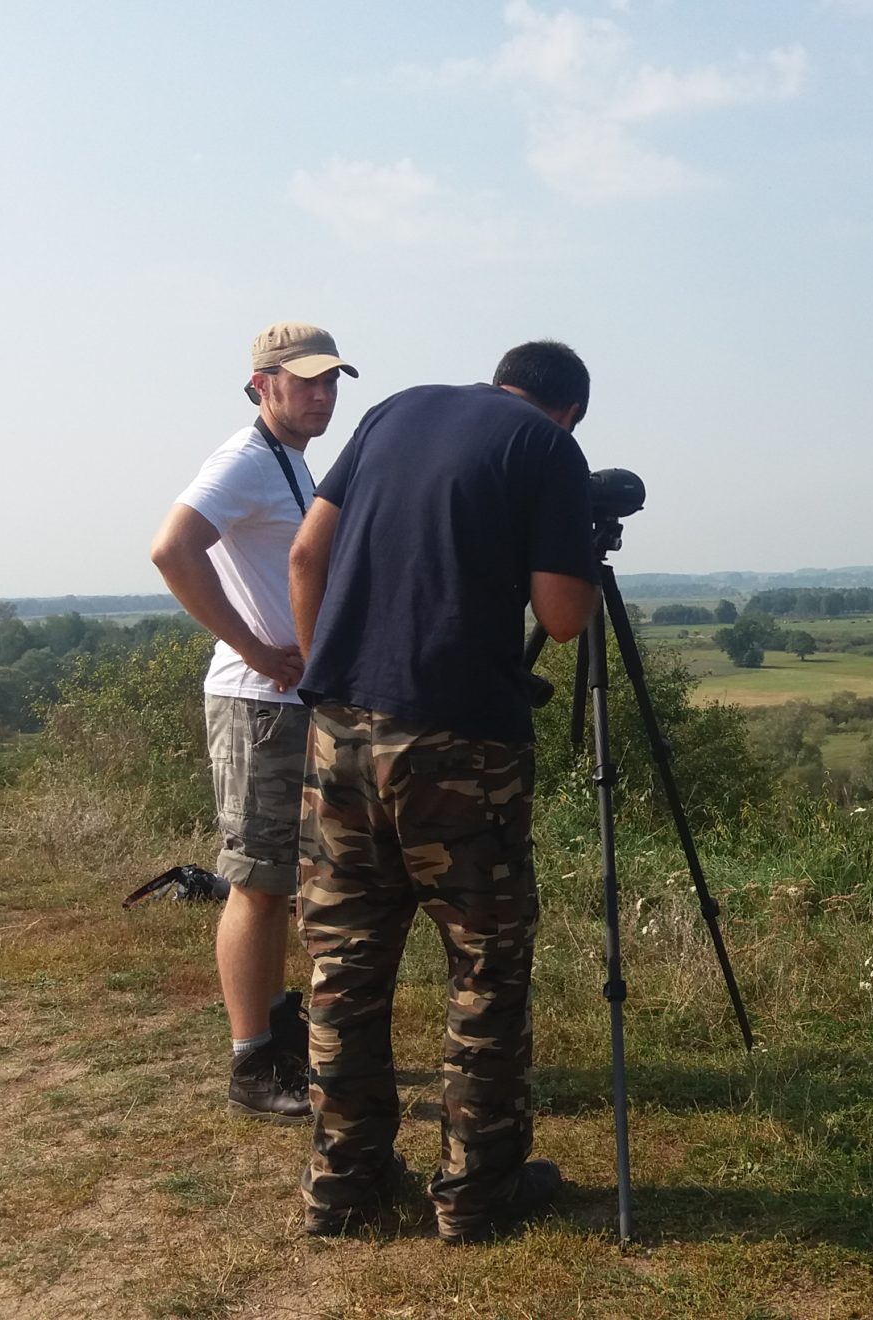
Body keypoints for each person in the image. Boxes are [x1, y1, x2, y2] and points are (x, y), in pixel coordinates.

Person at [286, 341, 599, 1244]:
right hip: (460, 741)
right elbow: (564, 619)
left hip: (339, 729)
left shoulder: (394, 411)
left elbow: (309, 554)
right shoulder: (546, 448)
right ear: (568, 410)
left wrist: (330, 679)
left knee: (345, 966)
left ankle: (343, 1189)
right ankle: (476, 1193)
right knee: (484, 971)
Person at [148, 321, 357, 1122]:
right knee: (256, 884)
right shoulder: (243, 460)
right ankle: (250, 1066)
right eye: (304, 380)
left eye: (332, 381)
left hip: (288, 703)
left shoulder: (291, 465)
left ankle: (278, 1036)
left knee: (283, 883)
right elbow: (173, 549)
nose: (322, 394)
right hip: (257, 703)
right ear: (260, 384)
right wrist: (254, 647)